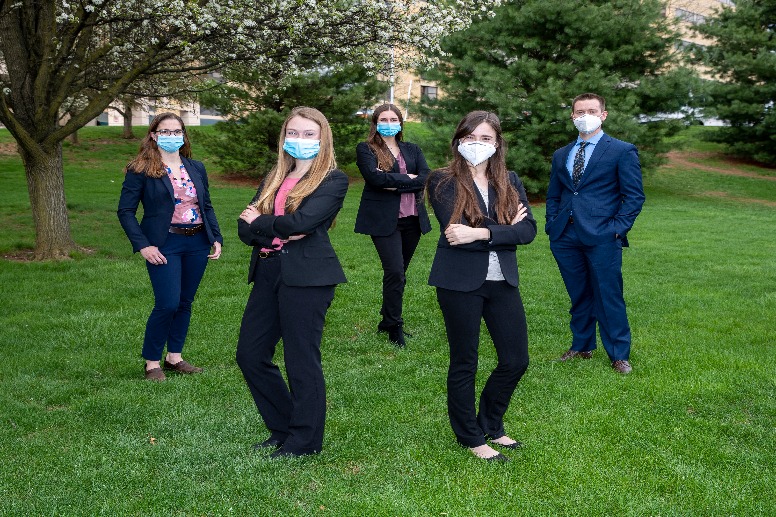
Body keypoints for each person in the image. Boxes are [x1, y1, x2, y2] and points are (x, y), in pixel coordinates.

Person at [236, 107, 348, 458]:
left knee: (301, 360)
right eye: (294, 133)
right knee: (250, 355)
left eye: (309, 134)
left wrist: (265, 223)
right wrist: (272, 227)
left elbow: (302, 223)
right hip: (268, 270)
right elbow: (243, 226)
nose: (300, 140)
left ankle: (305, 441)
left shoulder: (332, 180)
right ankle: (284, 428)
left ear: (322, 139)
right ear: (284, 137)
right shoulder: (275, 175)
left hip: (308, 278)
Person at [427, 111, 537, 462]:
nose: (478, 144)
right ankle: (470, 436)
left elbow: (529, 232)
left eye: (486, 138)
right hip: (459, 283)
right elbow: (455, 233)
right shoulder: (442, 181)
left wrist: (481, 231)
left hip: (501, 280)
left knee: (516, 359)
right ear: (459, 140)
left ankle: (491, 421)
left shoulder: (510, 180)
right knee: (465, 361)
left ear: (497, 144)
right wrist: (504, 229)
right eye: (471, 137)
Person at [118, 112, 223, 381]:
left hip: (198, 241)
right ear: (153, 135)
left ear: (183, 135)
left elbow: (206, 205)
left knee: (184, 302)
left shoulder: (196, 167)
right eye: (165, 132)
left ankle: (174, 357)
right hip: (164, 244)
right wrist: (143, 246)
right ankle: (152, 363)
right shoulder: (140, 169)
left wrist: (216, 237)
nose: (171, 136)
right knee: (167, 303)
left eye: (177, 131)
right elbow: (126, 211)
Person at [545, 93, 645, 374]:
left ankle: (619, 354)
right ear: (572, 117)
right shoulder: (561, 154)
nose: (584, 115)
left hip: (603, 235)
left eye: (591, 110)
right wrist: (552, 222)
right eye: (579, 111)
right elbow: (555, 194)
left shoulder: (621, 150)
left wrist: (616, 229)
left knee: (608, 294)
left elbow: (634, 196)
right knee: (579, 294)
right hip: (565, 235)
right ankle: (582, 345)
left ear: (603, 114)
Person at [354, 104, 432, 347]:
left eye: (393, 118)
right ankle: (394, 325)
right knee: (395, 272)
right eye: (384, 119)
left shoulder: (412, 149)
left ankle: (386, 321)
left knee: (399, 274)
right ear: (375, 123)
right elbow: (374, 178)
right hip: (384, 220)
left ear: (400, 122)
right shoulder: (366, 149)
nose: (389, 122)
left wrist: (394, 182)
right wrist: (407, 179)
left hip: (412, 220)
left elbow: (425, 177)